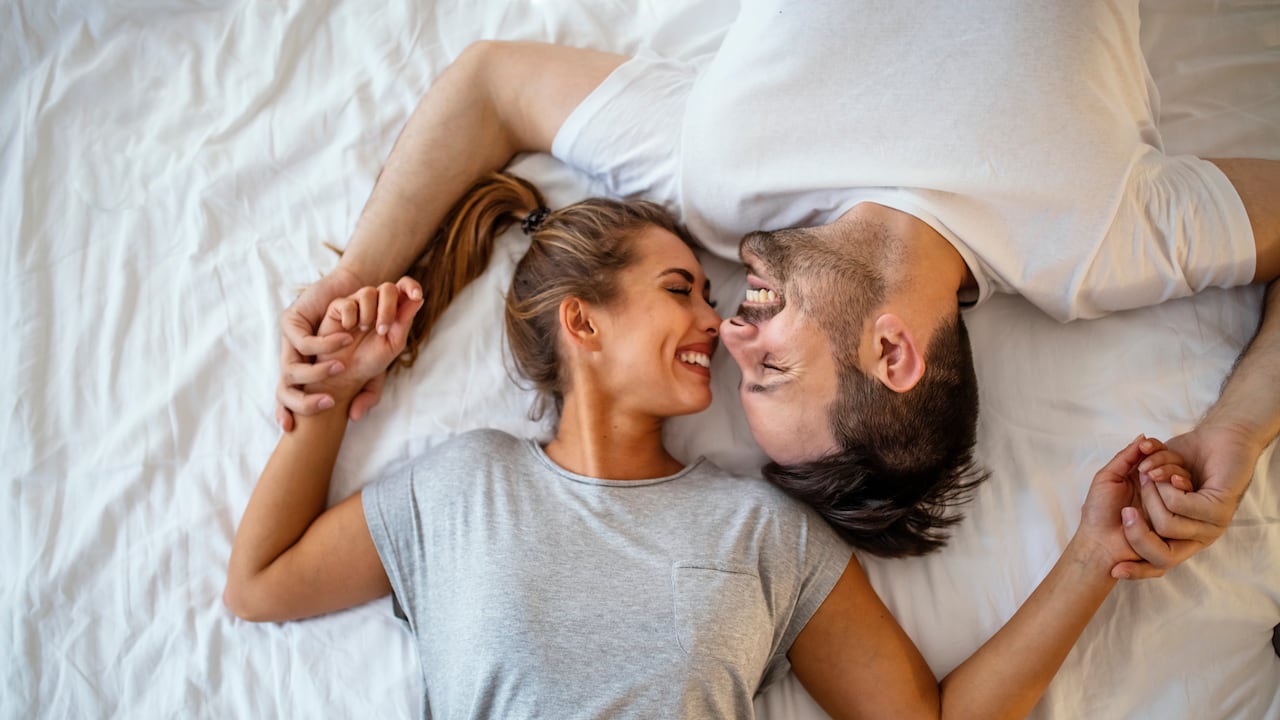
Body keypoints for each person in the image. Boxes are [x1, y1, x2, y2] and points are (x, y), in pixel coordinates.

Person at [275, 3, 1280, 563]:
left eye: (740, 372)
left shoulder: (716, 190)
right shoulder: (1100, 243)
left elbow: (490, 81)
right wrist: (1237, 429)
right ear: (891, 351)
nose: (727, 338)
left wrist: (364, 270)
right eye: (770, 371)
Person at [228, 173, 1193, 718]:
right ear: (585, 323)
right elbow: (260, 583)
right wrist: (338, 392)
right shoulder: (459, 487)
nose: (714, 315)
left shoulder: (764, 532)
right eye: (680, 289)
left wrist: (1091, 559)